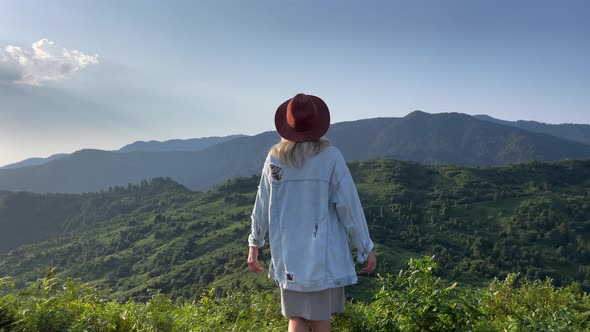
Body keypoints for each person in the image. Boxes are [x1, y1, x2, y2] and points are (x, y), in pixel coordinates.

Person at [247, 93, 377, 332]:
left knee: (296, 318)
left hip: (288, 256)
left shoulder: (275, 159)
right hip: (321, 254)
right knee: (320, 319)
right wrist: (365, 247)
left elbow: (262, 201)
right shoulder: (330, 158)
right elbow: (349, 205)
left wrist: (255, 244)